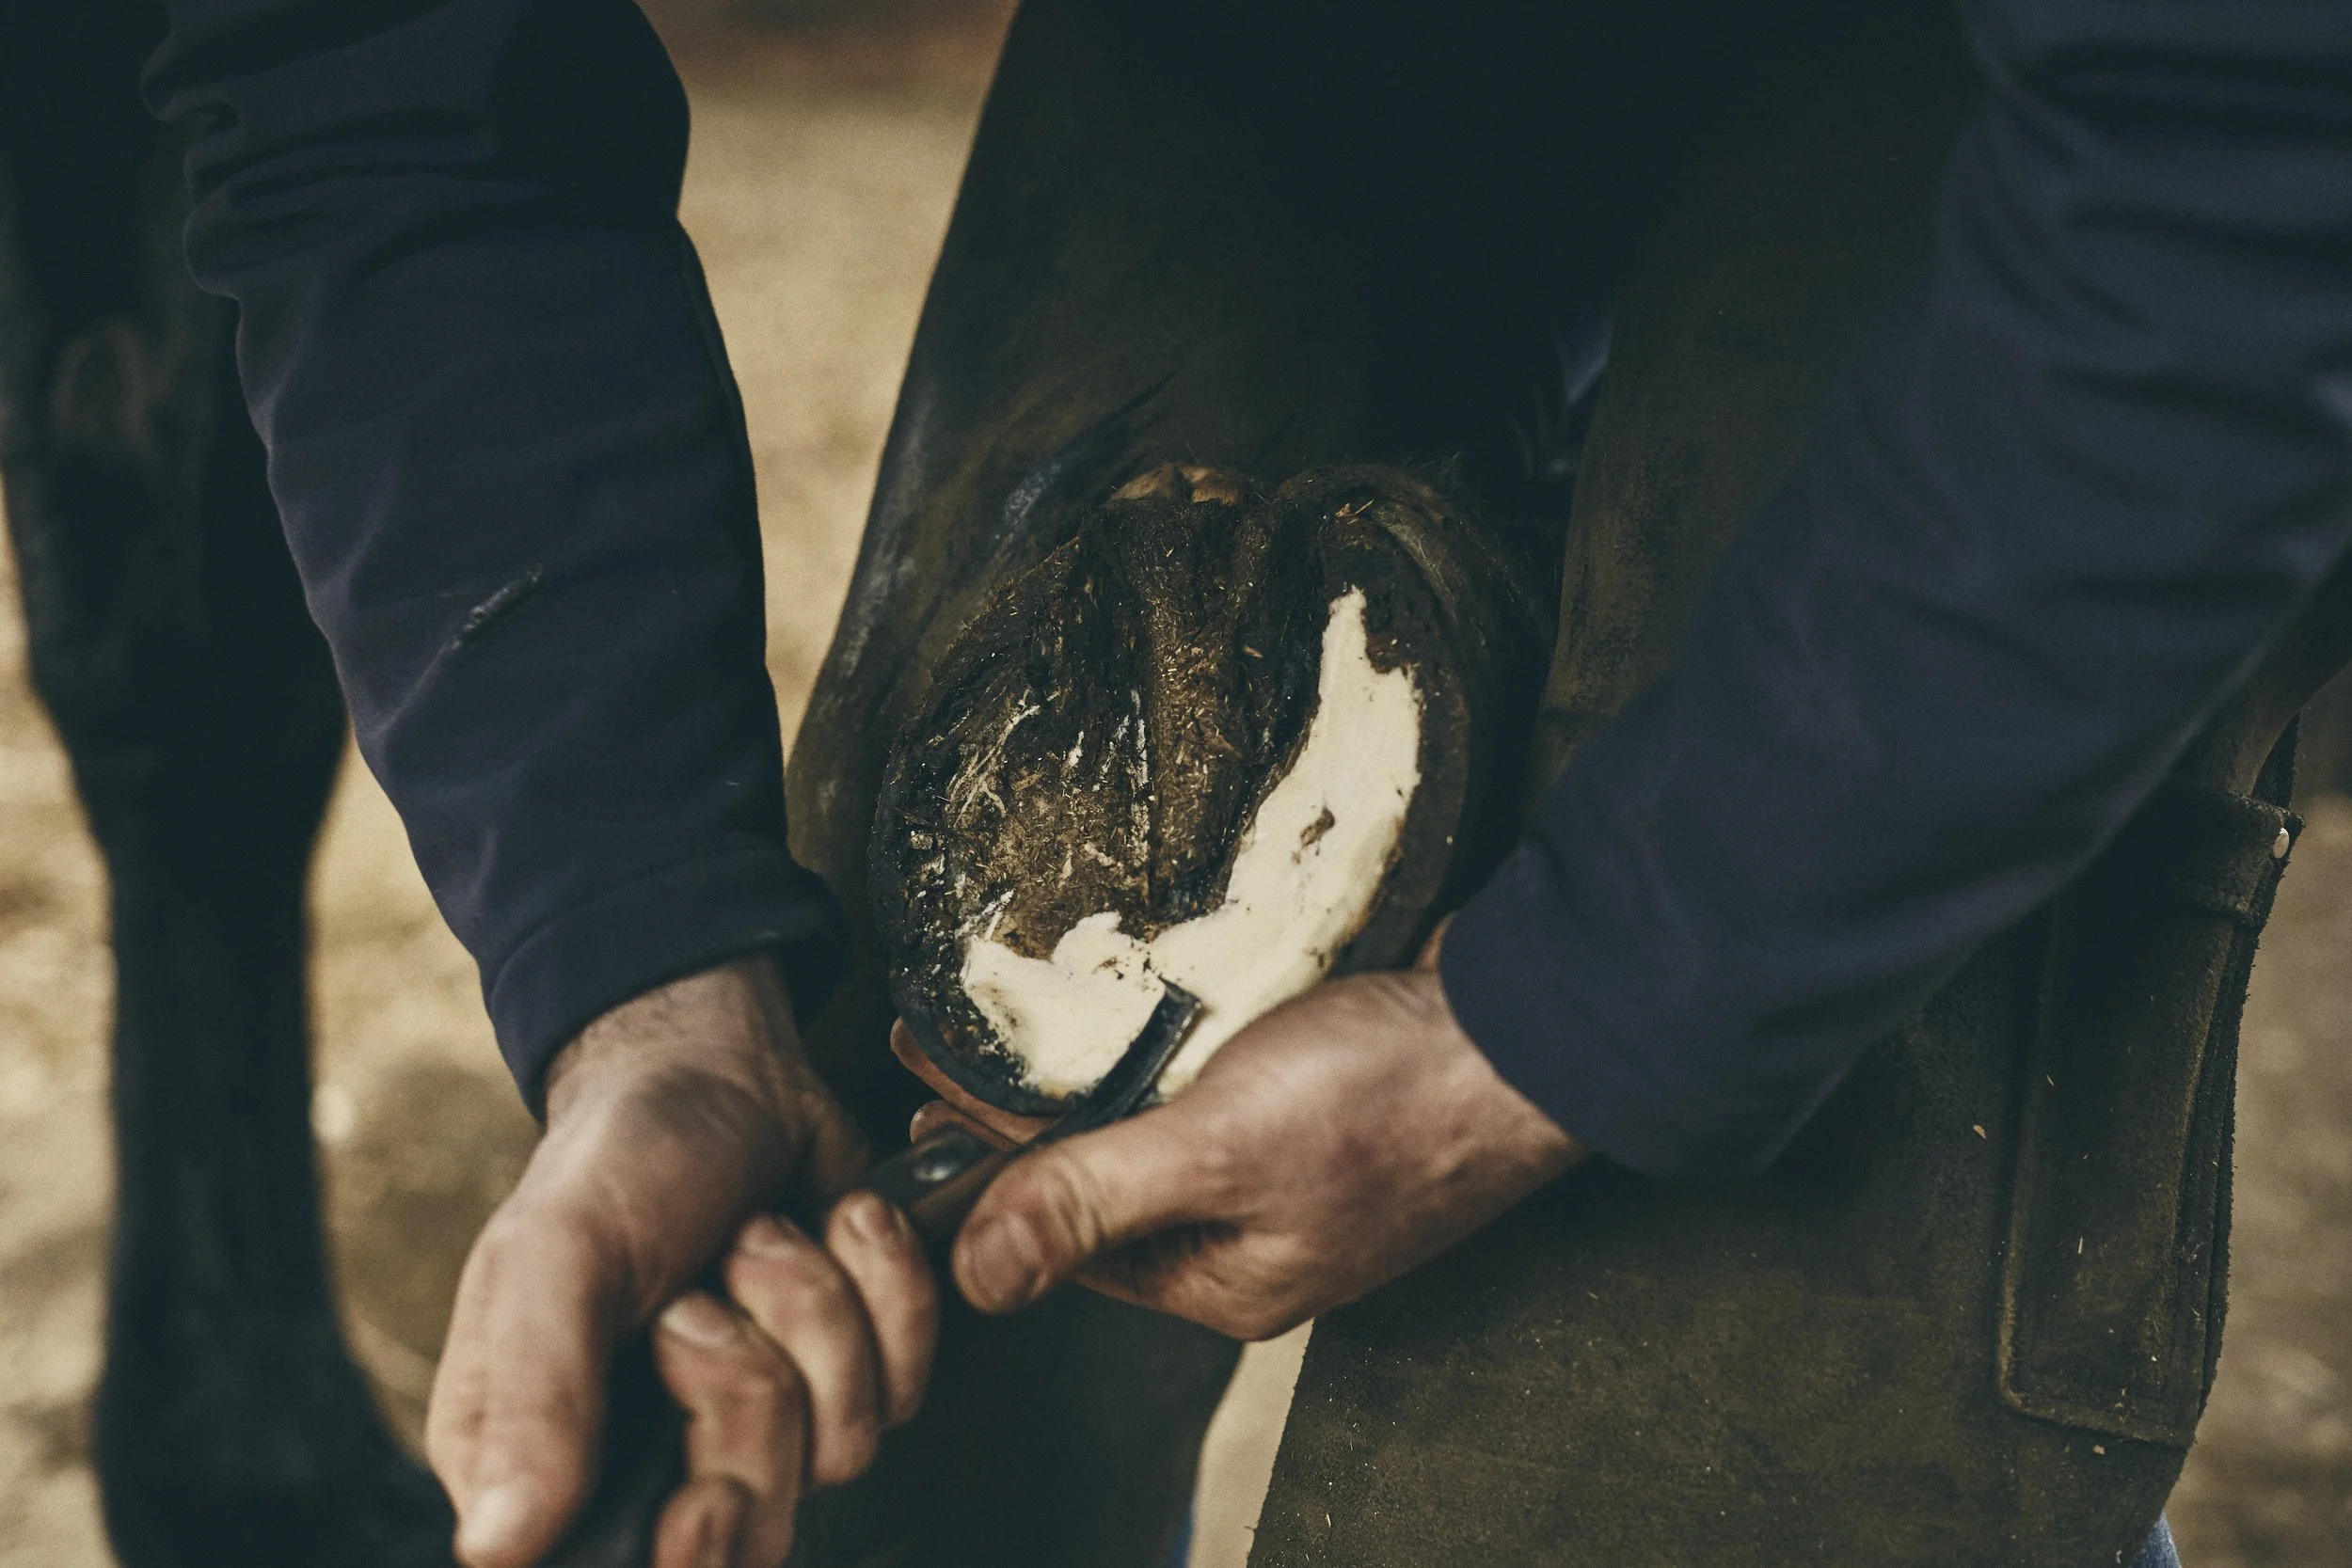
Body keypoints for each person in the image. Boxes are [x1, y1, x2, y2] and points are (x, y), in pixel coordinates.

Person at [141, 0, 2352, 1564]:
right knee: (890, 1276)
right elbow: (372, 83)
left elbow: (2234, 169)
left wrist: (1573, 1028)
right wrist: (647, 983)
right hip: (1266, 46)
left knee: (1705, 1404)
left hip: (2065, 94)